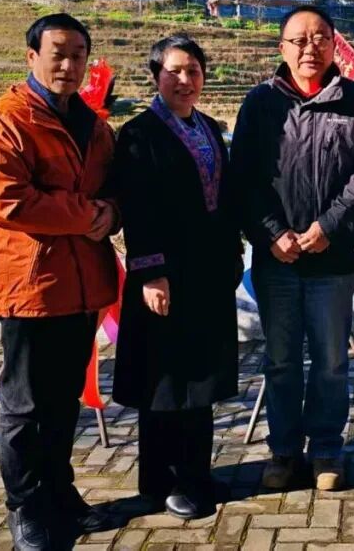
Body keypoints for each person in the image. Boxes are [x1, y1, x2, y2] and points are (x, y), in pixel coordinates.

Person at [0, 13, 119, 551]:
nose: (68, 65)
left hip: (83, 286)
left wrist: (112, 212)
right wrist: (86, 215)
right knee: (26, 406)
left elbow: (114, 188)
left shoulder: (94, 126)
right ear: (32, 57)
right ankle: (25, 507)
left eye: (78, 55)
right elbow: (6, 200)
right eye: (58, 53)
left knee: (63, 401)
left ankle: (59, 492)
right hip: (33, 286)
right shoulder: (6, 122)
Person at [231, 5, 354, 491]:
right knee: (280, 361)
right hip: (276, 258)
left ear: (334, 45)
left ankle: (326, 450)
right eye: (298, 39)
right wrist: (270, 233)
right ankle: (283, 451)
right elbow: (242, 178)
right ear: (282, 48)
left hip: (333, 259)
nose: (309, 48)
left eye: (320, 38)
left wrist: (329, 226)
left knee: (330, 360)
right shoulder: (260, 103)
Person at [111, 35, 243, 520]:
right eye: (174, 71)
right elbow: (138, 209)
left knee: (200, 380)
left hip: (207, 276)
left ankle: (196, 473)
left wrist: (233, 254)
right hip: (164, 276)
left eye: (193, 71)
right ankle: (161, 480)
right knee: (165, 380)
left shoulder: (208, 127)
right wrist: (152, 272)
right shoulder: (138, 134)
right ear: (155, 76)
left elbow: (223, 199)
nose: (185, 80)